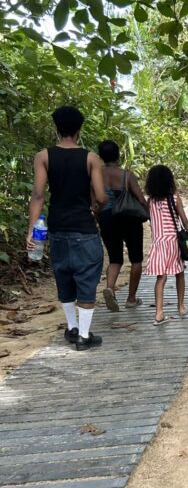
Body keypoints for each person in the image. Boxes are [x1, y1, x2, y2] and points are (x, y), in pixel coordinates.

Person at [26, 105, 107, 351]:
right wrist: (94, 204)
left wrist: (31, 230)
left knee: (64, 276)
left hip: (57, 228)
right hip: (84, 228)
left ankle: (72, 328)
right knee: (87, 277)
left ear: (57, 129)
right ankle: (83, 335)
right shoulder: (91, 158)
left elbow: (38, 195)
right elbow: (102, 198)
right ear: (79, 131)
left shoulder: (43, 157)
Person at [144, 165, 188, 325]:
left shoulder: (150, 202)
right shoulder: (175, 198)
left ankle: (159, 312)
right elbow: (185, 222)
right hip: (173, 243)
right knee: (179, 273)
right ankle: (181, 306)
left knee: (161, 278)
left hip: (158, 243)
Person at [96, 139, 148, 313]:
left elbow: (94, 203)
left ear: (101, 156)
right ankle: (131, 299)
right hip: (129, 218)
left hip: (106, 218)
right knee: (136, 259)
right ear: (118, 155)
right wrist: (148, 212)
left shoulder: (96, 177)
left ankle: (110, 288)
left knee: (115, 258)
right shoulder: (126, 175)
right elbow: (140, 198)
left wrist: (99, 219)